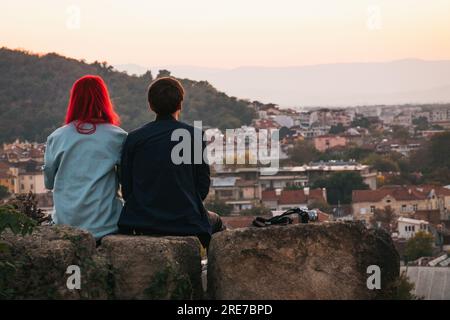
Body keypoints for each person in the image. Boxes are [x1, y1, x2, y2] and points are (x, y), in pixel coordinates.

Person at [118, 77, 225, 247]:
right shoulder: (194, 136)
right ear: (180, 104)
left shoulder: (134, 138)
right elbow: (202, 185)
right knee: (217, 223)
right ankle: (209, 271)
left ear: (151, 105)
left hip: (141, 220)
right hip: (185, 219)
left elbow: (127, 188)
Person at [43, 75, 127, 242]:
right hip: (106, 226)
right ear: (104, 100)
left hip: (66, 226)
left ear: (74, 101)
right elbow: (126, 182)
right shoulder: (118, 137)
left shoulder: (57, 137)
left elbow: (49, 183)